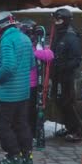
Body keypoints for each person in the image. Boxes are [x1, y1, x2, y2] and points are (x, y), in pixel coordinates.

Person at [0, 12, 34, 164]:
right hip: (23, 92)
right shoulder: (25, 38)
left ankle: (14, 156)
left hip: (8, 93)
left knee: (1, 124)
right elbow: (31, 65)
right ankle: (27, 156)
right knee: (21, 124)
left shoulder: (7, 40)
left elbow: (8, 66)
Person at [19, 19, 53, 152]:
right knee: (21, 113)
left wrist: (37, 52)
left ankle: (32, 135)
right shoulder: (21, 43)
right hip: (20, 83)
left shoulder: (37, 45)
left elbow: (50, 55)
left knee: (31, 112)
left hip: (33, 84)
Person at [50, 8, 82, 142]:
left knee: (67, 103)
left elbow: (76, 59)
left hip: (66, 76)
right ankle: (69, 127)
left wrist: (62, 67)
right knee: (59, 101)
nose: (56, 23)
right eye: (55, 20)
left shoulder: (71, 36)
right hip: (57, 75)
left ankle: (77, 130)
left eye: (59, 20)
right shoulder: (58, 33)